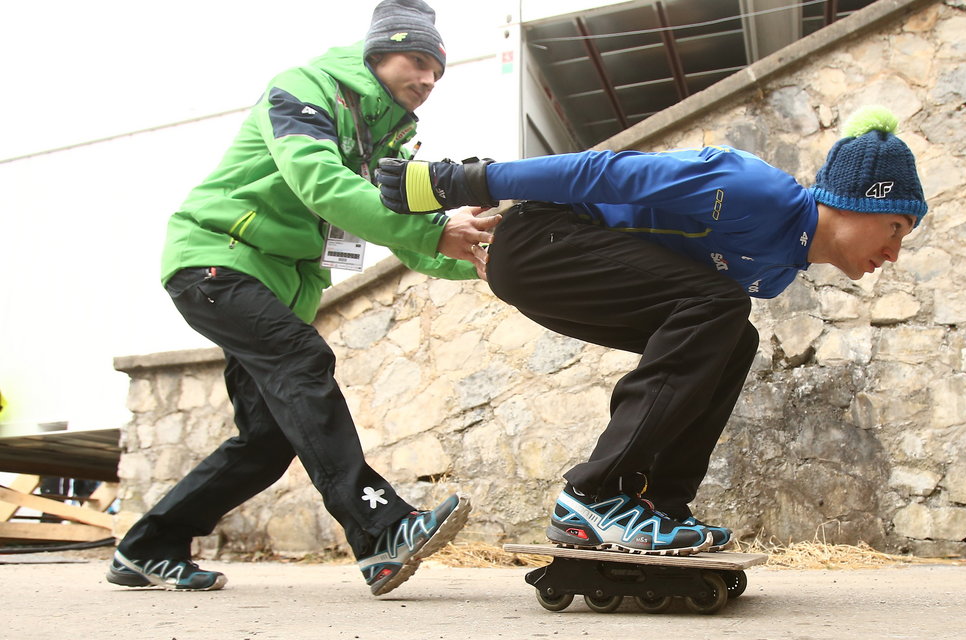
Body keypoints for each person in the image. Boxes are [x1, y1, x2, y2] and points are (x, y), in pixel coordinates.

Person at [374, 106, 927, 555]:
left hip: (554, 264)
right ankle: (595, 497)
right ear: (856, 203)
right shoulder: (753, 189)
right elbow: (603, 172)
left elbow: (681, 325)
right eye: (896, 228)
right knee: (721, 306)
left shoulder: (780, 268)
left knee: (737, 336)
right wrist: (462, 180)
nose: (894, 252)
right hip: (543, 238)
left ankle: (658, 505)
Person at [107, 0, 497, 595]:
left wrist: (477, 260)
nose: (427, 80)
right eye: (417, 61)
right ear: (377, 53)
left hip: (274, 288)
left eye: (437, 72)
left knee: (267, 442)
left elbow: (398, 227)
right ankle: (382, 529)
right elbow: (319, 182)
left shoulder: (394, 137)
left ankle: (146, 546)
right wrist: (432, 227)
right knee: (301, 361)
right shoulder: (303, 89)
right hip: (215, 260)